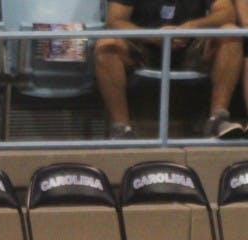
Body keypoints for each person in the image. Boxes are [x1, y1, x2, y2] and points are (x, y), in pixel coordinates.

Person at [94, 0, 244, 139]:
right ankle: (122, 128)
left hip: (192, 45)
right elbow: (115, 21)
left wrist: (192, 27)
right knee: (106, 45)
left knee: (230, 32)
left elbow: (227, 14)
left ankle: (217, 119)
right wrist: (153, 36)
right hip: (143, 45)